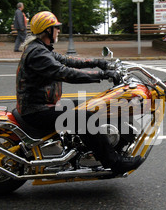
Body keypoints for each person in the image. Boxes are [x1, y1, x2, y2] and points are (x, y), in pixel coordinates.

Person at [15, 11, 143, 175]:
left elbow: (69, 61)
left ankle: (88, 149)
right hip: (37, 111)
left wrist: (99, 63)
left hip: (42, 106)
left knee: (88, 107)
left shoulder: (41, 49)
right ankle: (114, 162)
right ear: (48, 30)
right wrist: (102, 75)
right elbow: (65, 72)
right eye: (56, 28)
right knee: (85, 118)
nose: (58, 31)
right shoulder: (38, 54)